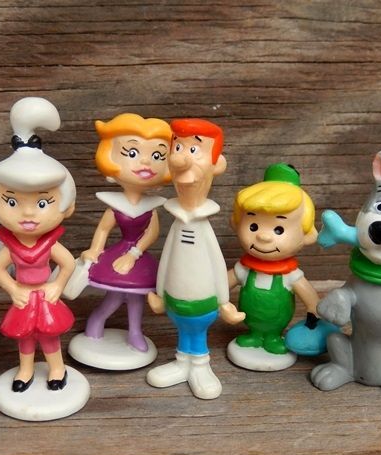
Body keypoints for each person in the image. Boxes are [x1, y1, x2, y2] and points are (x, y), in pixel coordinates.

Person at [146, 118, 243, 400]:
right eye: (177, 147)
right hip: (175, 300)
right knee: (183, 329)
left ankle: (199, 365)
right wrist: (161, 294)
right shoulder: (177, 224)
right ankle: (182, 362)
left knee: (197, 332)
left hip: (204, 301)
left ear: (217, 165)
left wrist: (224, 301)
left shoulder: (203, 229)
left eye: (194, 150)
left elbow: (216, 264)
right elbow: (167, 258)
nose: (181, 159)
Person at [0, 97, 76, 392]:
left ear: (66, 205)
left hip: (44, 295)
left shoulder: (49, 243)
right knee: (24, 336)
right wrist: (13, 289)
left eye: (42, 203)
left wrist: (57, 285)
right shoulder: (11, 245)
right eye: (11, 202)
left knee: (48, 334)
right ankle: (25, 370)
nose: (27, 214)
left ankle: (57, 368)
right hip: (24, 295)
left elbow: (68, 263)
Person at [79, 113, 172, 354]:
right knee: (115, 296)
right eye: (132, 153)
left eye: (157, 155)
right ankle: (96, 322)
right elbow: (103, 228)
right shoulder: (115, 206)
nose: (146, 162)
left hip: (137, 255)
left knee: (136, 297)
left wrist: (134, 254)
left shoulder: (151, 207)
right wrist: (95, 249)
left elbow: (151, 233)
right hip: (117, 253)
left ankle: (135, 332)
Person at [227, 163, 320, 370]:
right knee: (252, 330)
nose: (263, 236)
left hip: (278, 321)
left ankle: (272, 337)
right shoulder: (245, 268)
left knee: (273, 335)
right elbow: (224, 284)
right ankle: (254, 335)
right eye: (253, 226)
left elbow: (309, 295)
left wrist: (313, 307)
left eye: (279, 229)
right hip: (248, 318)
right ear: (236, 224)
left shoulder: (290, 275)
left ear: (307, 235)